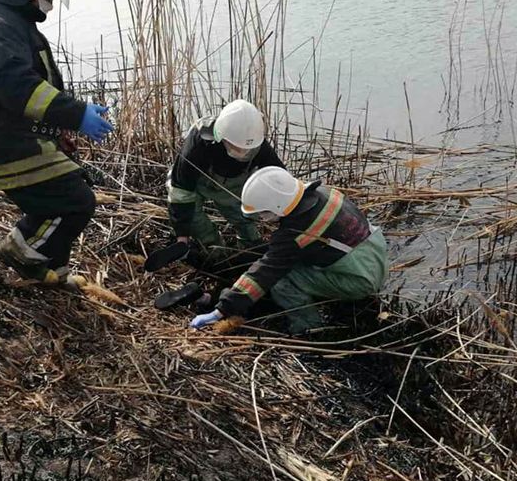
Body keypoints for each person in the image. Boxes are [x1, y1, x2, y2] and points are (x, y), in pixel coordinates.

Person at [0, 0, 113, 284]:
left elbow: (28, 91)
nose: (51, 5)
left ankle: (51, 273)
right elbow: (19, 89)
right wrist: (75, 115)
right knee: (74, 201)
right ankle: (21, 253)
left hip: (17, 138)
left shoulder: (9, 19)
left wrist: (58, 131)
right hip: (8, 146)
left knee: (67, 193)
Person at [189, 167, 388, 334]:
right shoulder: (323, 193)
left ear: (277, 206)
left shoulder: (294, 233)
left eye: (264, 213)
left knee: (282, 281)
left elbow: (266, 272)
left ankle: (308, 328)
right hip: (375, 252)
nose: (263, 218)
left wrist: (222, 310)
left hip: (360, 278)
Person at [166, 100, 284, 255]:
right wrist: (182, 235)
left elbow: (281, 179)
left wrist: (281, 212)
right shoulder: (198, 143)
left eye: (248, 150)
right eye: (236, 148)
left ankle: (249, 250)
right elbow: (181, 191)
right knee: (194, 219)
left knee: (245, 221)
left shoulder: (258, 143)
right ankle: (214, 249)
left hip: (233, 188)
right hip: (199, 183)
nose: (243, 154)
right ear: (220, 136)